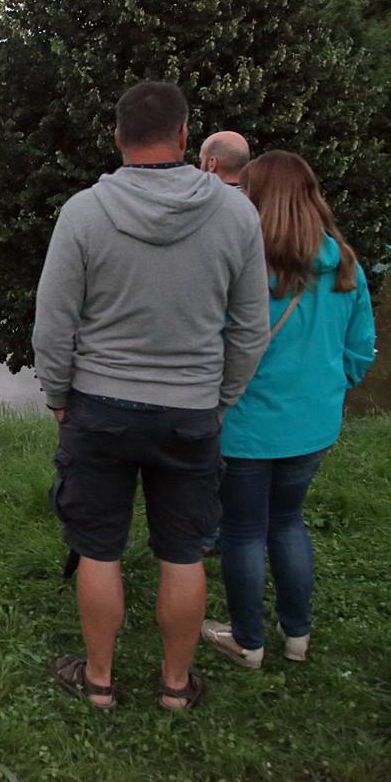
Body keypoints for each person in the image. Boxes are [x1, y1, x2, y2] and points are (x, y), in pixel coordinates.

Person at [32, 82, 270, 710]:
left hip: (98, 408)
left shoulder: (82, 212)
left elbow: (54, 321)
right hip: (191, 410)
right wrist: (218, 399)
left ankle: (100, 682)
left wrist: (59, 394)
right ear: (187, 138)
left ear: (117, 136)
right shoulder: (237, 214)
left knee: (98, 547)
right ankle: (174, 687)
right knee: (183, 551)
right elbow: (251, 328)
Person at [201, 151, 375, 668]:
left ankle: (248, 641)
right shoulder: (343, 261)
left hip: (246, 427)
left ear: (252, 197)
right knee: (288, 522)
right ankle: (296, 636)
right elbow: (361, 350)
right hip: (313, 425)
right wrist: (326, 387)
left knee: (244, 530)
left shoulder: (240, 264)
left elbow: (216, 342)